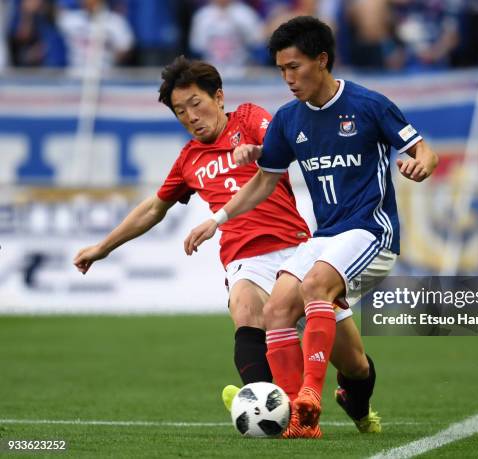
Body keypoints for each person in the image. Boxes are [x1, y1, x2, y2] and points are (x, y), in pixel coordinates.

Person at [73, 55, 381, 433]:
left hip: (298, 251)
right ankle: (267, 403)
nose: (190, 117)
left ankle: (357, 406)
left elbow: (280, 145)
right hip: (244, 258)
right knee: (245, 305)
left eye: (196, 104)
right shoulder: (188, 160)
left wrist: (257, 152)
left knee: (355, 365)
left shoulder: (249, 118)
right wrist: (102, 248)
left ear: (219, 97)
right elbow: (154, 208)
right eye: (180, 112)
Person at [183, 16, 438, 438]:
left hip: (372, 231)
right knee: (278, 309)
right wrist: (218, 219)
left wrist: (419, 166)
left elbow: (423, 151)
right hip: (326, 237)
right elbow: (265, 179)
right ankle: (299, 421)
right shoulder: (289, 119)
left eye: (294, 67)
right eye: (281, 69)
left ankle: (309, 396)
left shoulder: (369, 105)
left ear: (322, 60)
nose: (287, 78)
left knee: (314, 285)